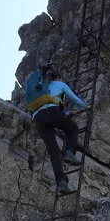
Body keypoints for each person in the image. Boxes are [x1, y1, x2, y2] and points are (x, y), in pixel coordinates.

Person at [28, 64, 90, 194]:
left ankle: (61, 183)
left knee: (54, 152)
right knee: (72, 128)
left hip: (38, 118)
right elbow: (74, 99)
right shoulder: (60, 84)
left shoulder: (43, 90)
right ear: (59, 78)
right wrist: (86, 107)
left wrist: (68, 114)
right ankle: (69, 152)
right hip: (51, 111)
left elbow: (53, 109)